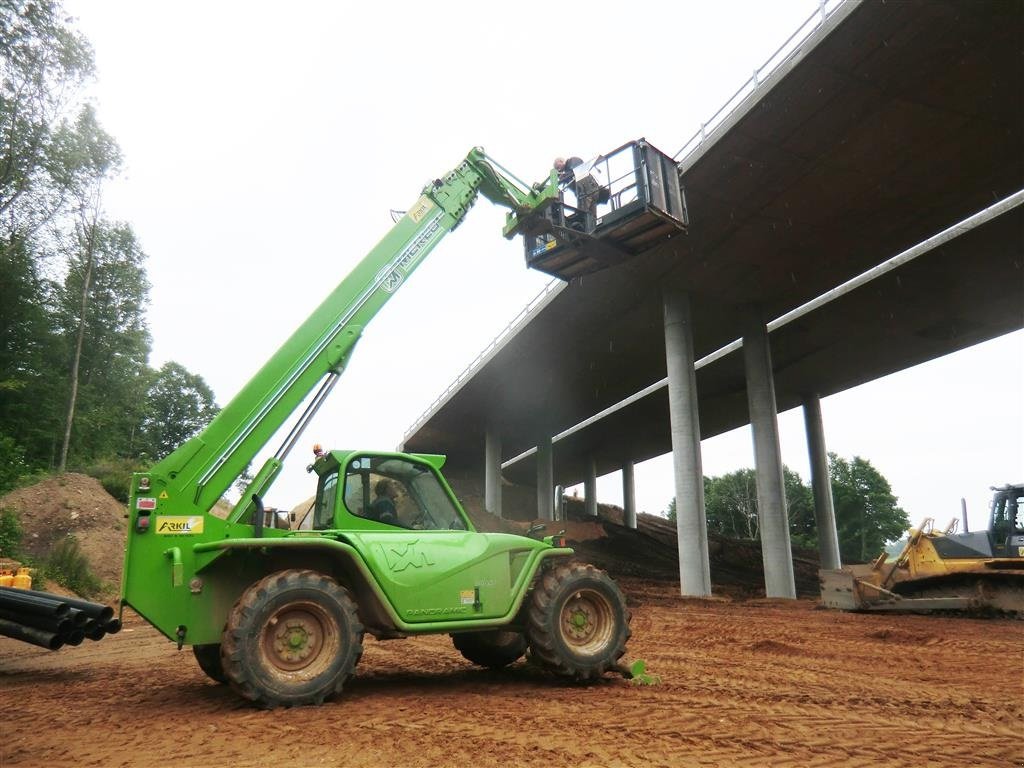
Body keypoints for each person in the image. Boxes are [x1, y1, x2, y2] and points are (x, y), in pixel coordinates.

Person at [553, 155, 600, 220]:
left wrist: (564, 177)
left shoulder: (572, 160)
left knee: (583, 212)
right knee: (590, 213)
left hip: (587, 189)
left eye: (558, 167)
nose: (559, 170)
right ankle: (593, 222)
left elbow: (576, 171)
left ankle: (587, 222)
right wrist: (563, 178)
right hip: (587, 191)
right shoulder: (567, 171)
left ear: (561, 161)